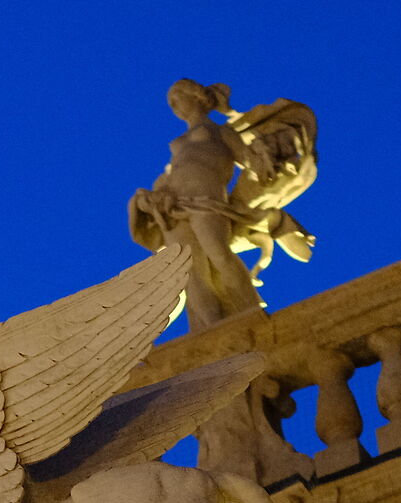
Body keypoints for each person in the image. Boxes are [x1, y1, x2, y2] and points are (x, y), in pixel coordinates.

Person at [128, 80, 316, 331]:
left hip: (207, 201)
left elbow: (252, 163)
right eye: (171, 103)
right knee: (190, 272)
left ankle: (249, 313)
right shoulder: (180, 141)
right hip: (172, 207)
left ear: (197, 96)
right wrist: (151, 197)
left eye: (177, 98)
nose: (174, 106)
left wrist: (270, 153)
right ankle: (210, 329)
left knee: (219, 254)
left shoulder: (221, 132)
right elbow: (170, 174)